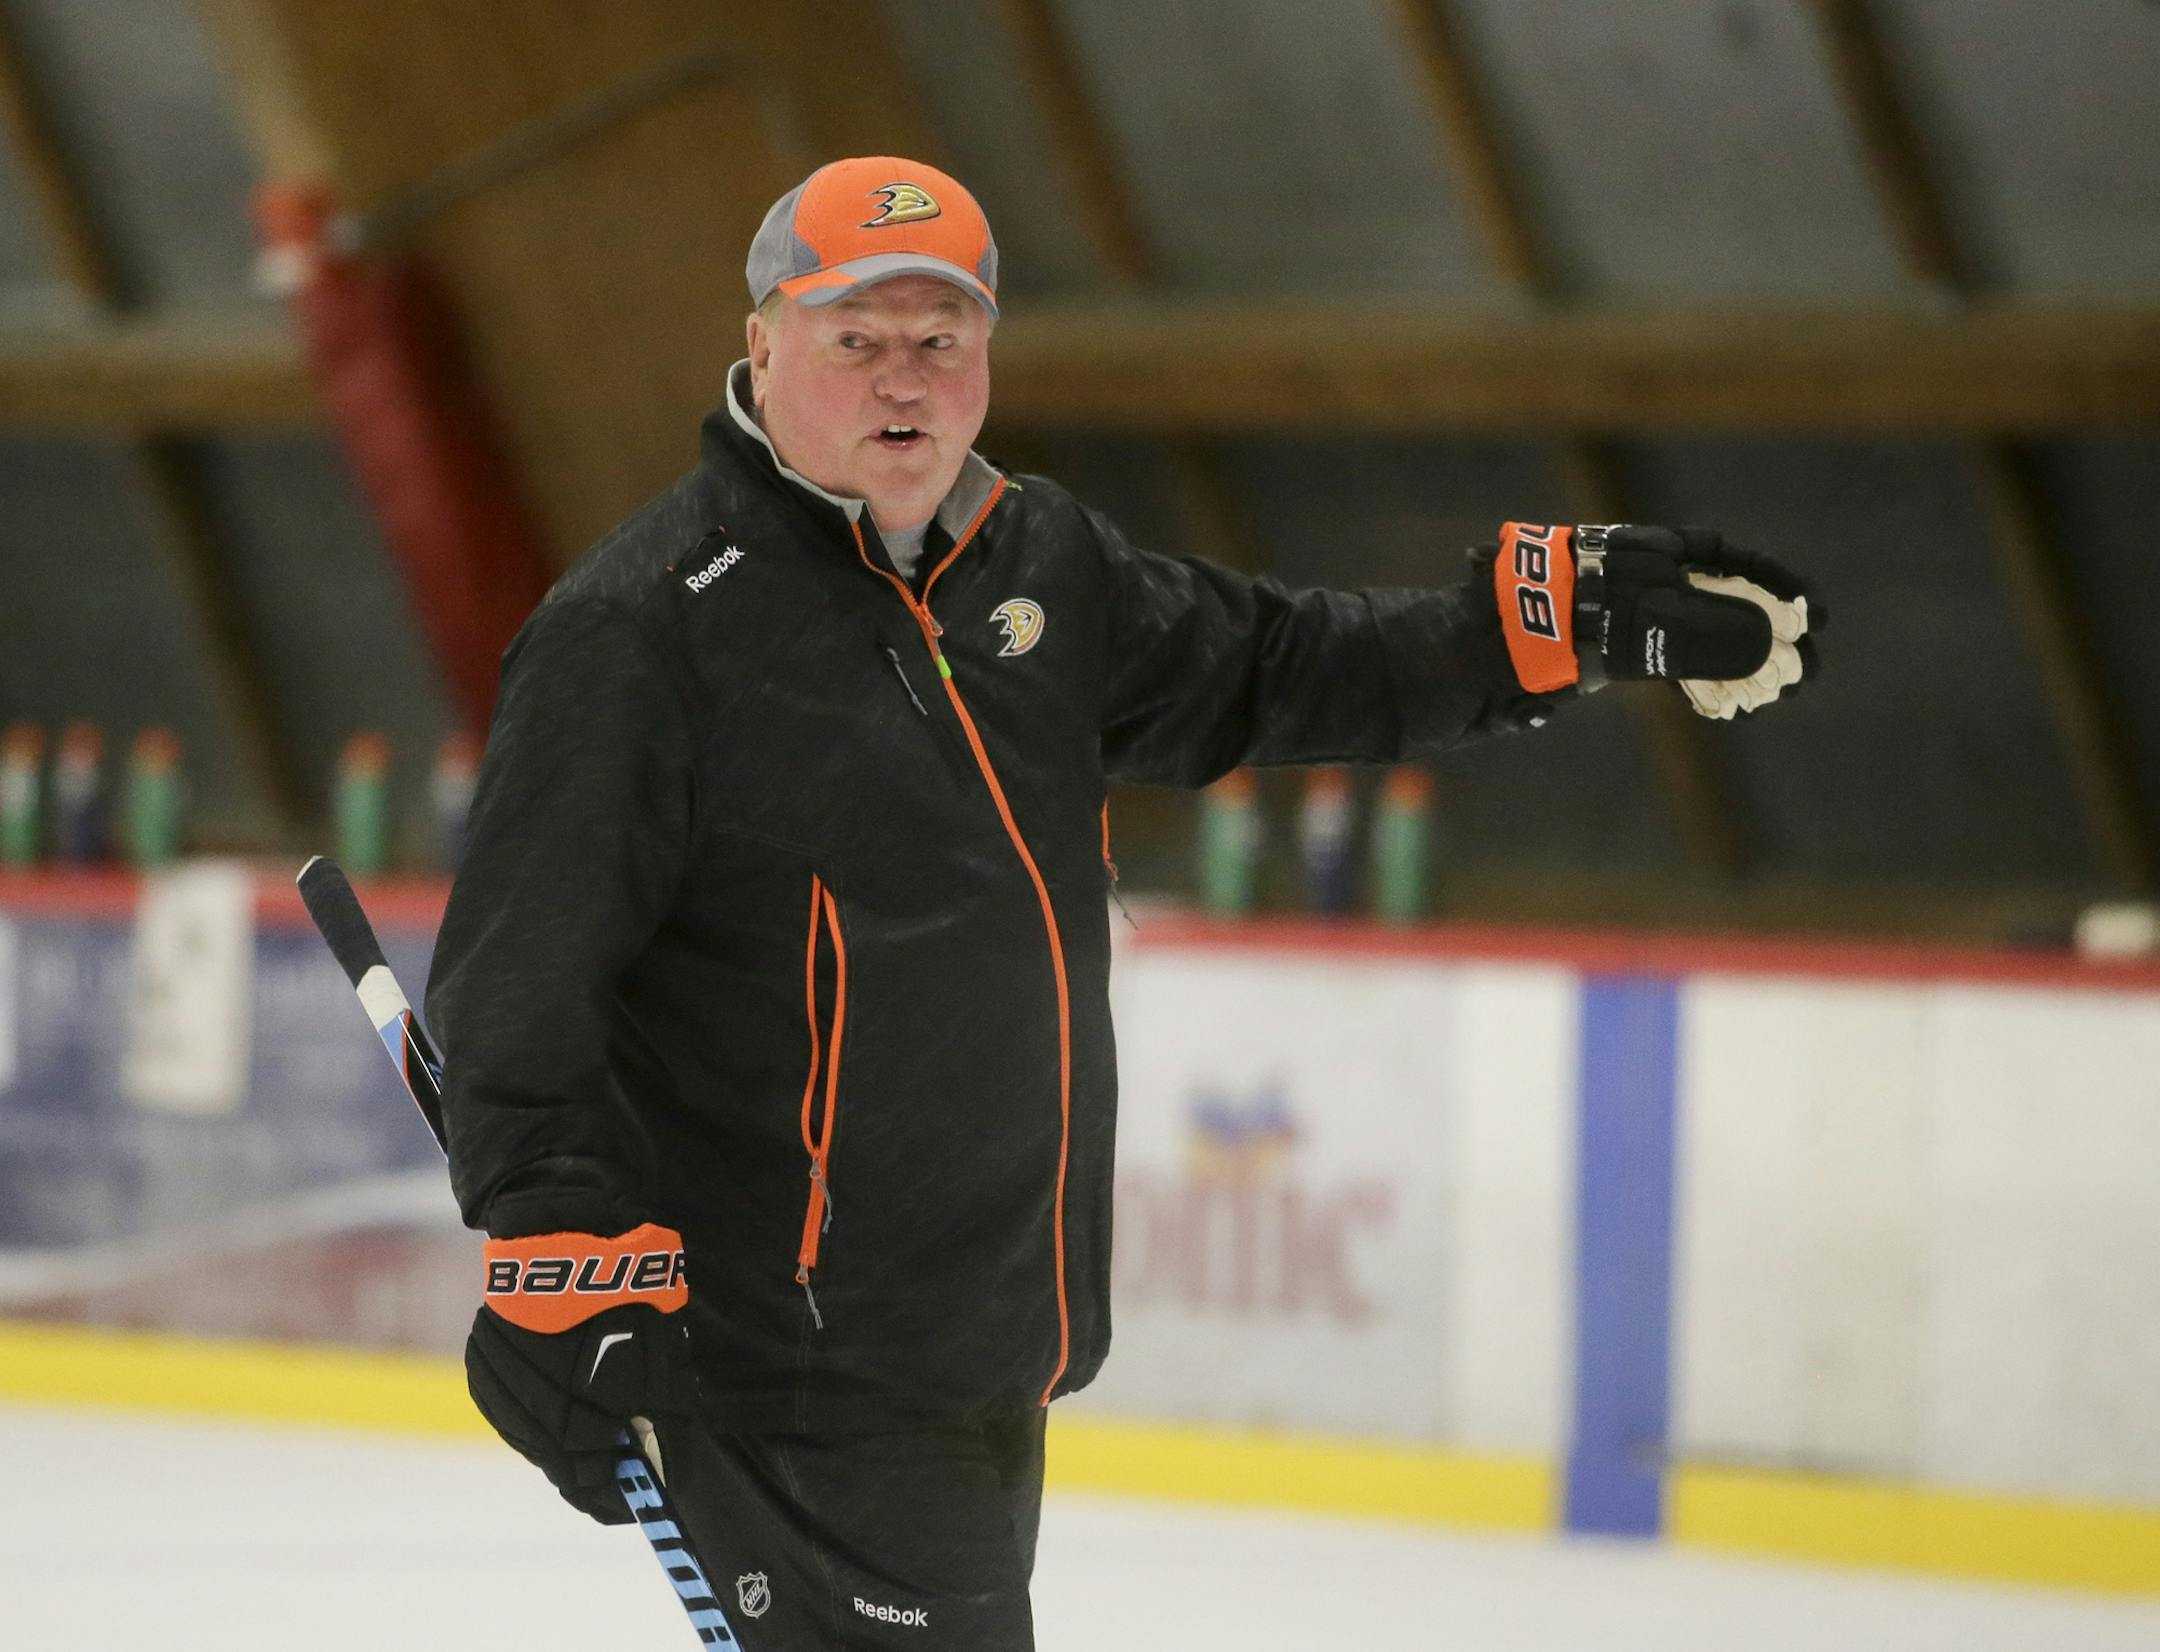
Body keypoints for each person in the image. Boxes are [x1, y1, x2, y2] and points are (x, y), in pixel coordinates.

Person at [427, 155, 1816, 1648]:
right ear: (762, 346)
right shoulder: (640, 631)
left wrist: (1514, 640)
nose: (905, 378)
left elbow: (1273, 666)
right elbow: (519, 980)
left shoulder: (1037, 563)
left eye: (942, 338)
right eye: (856, 337)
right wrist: (552, 1249)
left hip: (990, 1336)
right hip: (792, 1366)